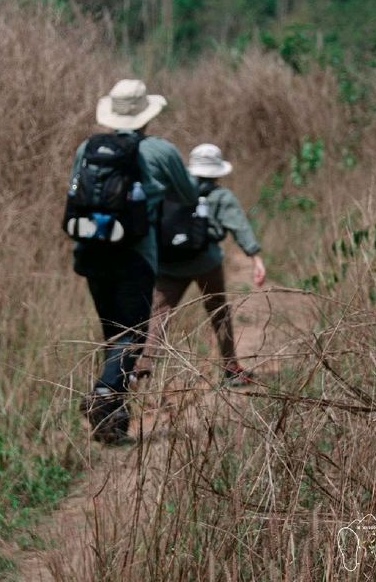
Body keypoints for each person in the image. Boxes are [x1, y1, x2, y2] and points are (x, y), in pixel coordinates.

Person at [67, 79, 199, 443]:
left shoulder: (86, 148)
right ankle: (105, 394)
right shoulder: (160, 150)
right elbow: (187, 194)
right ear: (146, 115)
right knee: (133, 335)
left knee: (113, 335)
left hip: (91, 253)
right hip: (135, 256)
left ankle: (112, 426)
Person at [138, 142, 265, 386]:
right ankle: (231, 368)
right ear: (218, 171)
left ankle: (142, 369)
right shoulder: (220, 196)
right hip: (206, 264)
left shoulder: (170, 190)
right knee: (219, 311)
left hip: (169, 265)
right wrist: (255, 257)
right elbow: (240, 226)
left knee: (158, 315)